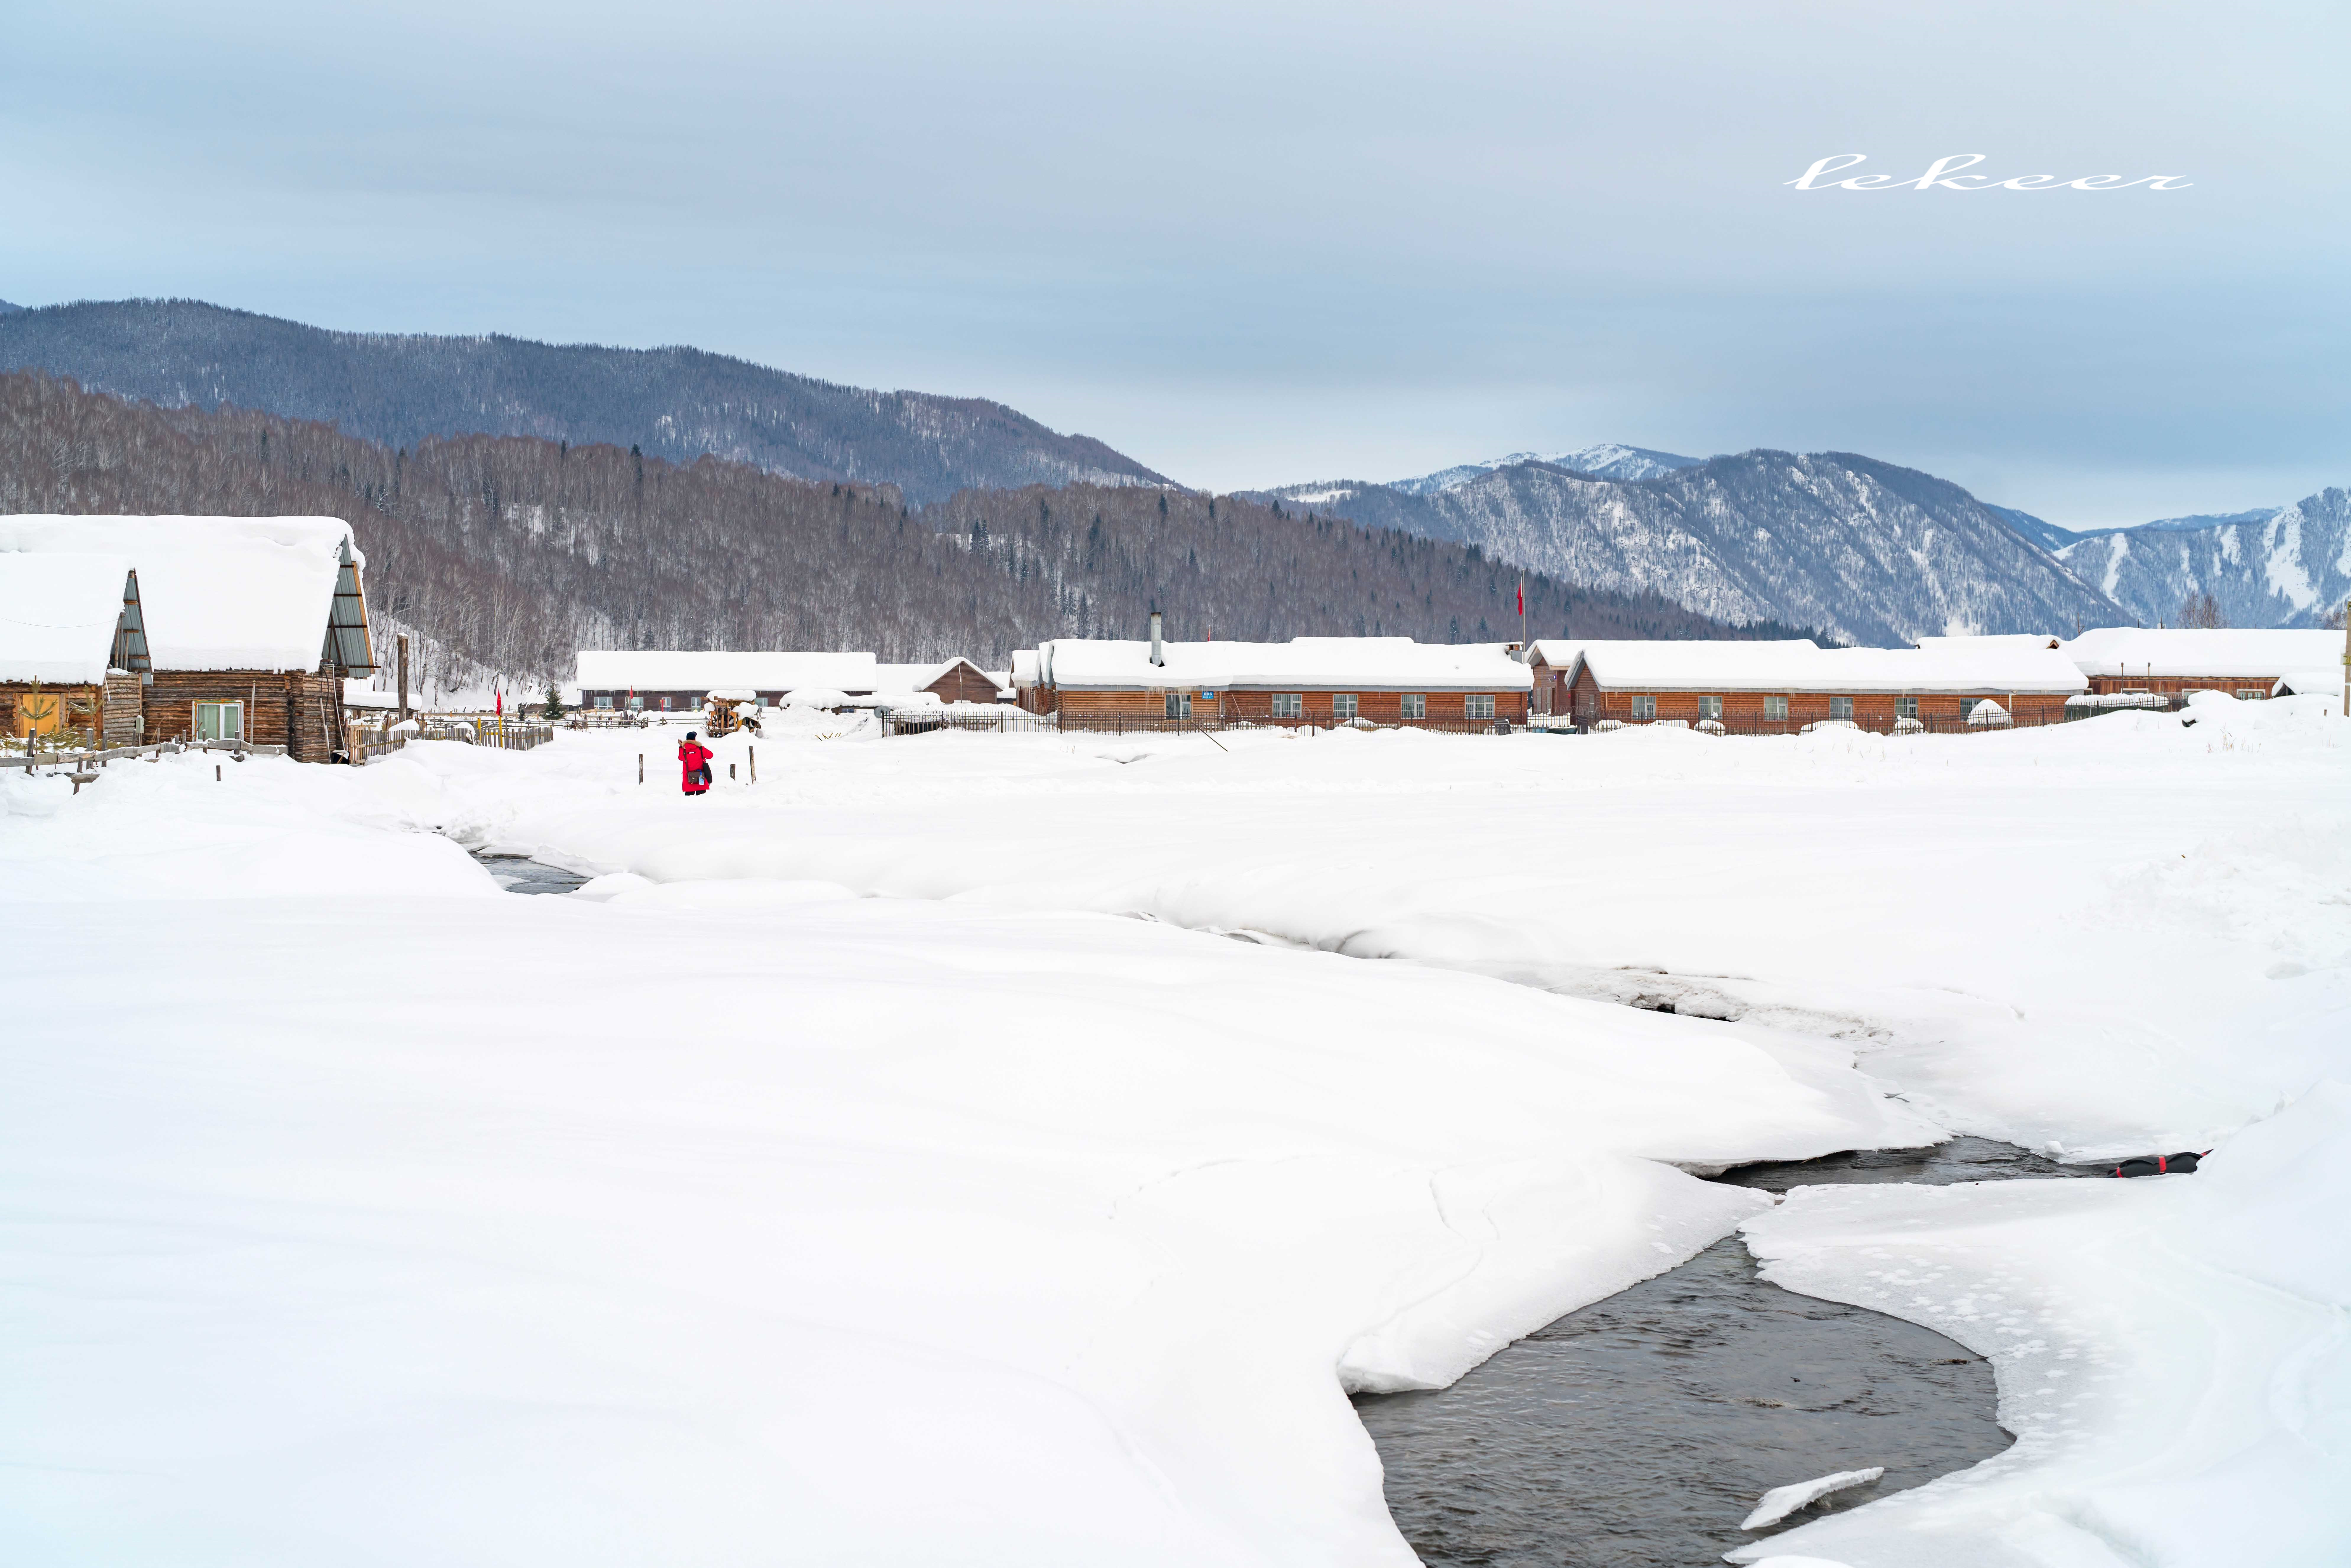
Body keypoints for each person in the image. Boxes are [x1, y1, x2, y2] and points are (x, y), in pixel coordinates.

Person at [678, 731, 715, 796]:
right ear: (695, 739)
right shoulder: (700, 749)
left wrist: (682, 747)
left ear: (687, 740)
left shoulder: (684, 750)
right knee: (702, 800)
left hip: (689, 779)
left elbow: (681, 758)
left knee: (688, 800)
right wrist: (702, 748)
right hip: (701, 778)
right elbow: (711, 756)